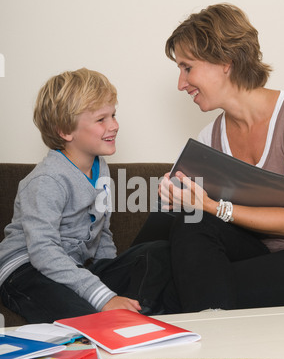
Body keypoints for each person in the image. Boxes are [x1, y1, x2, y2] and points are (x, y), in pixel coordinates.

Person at [0, 68, 180, 323]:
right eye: (101, 119)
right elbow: (43, 252)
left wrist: (110, 283)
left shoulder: (100, 169)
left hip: (74, 268)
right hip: (25, 271)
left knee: (157, 252)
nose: (114, 125)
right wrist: (103, 298)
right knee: (88, 317)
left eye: (113, 115)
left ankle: (143, 318)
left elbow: (102, 234)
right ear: (64, 130)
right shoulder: (47, 180)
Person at [157, 3, 284, 313]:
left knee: (177, 289)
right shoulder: (211, 138)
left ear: (225, 61)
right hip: (255, 252)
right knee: (187, 220)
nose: (181, 84)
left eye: (187, 67)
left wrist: (211, 205)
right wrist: (175, 197)